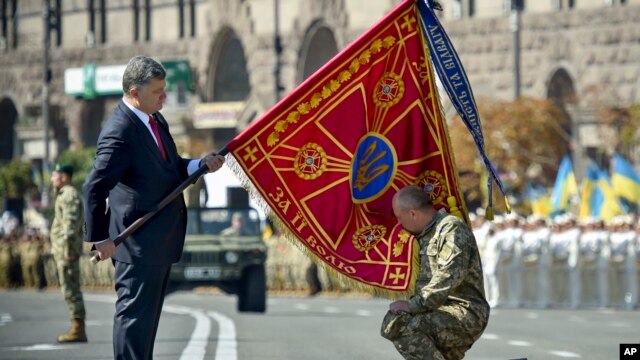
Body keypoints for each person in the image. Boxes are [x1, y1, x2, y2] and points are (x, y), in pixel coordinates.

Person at [83, 55, 225, 359]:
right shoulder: (119, 130)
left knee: (146, 327)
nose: (165, 96)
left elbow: (170, 167)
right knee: (134, 322)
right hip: (135, 242)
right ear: (135, 92)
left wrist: (200, 165)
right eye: (157, 91)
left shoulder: (154, 119)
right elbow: (94, 186)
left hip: (157, 241)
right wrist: (98, 237)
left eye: (164, 89)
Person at [381, 185, 489, 360]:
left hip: (463, 311)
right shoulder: (425, 234)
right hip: (437, 310)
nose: (399, 224)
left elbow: (448, 276)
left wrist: (414, 305)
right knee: (394, 320)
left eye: (400, 218)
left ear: (413, 213)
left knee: (404, 326)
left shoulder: (451, 229)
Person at [50, 163, 87, 342]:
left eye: (54, 175)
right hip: (65, 250)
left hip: (67, 251)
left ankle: (78, 329)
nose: (52, 179)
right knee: (69, 288)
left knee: (71, 289)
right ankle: (77, 326)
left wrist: (67, 250)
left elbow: (70, 225)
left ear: (64, 176)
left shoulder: (68, 195)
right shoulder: (64, 194)